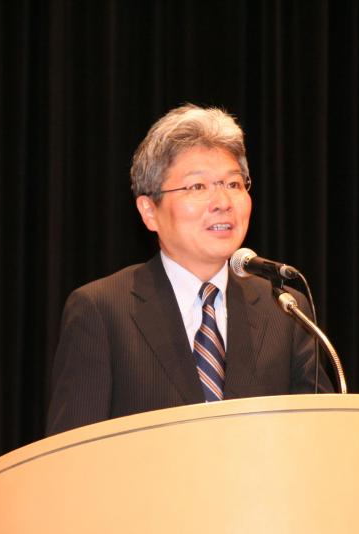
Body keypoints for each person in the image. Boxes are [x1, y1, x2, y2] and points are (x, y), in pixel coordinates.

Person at [45, 103, 331, 435]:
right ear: (149, 211)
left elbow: (319, 437)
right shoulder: (102, 311)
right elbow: (72, 452)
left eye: (233, 184)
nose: (222, 202)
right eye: (198, 187)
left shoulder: (283, 309)